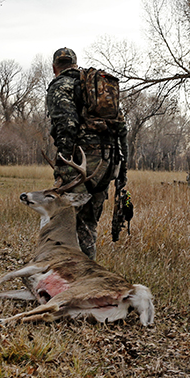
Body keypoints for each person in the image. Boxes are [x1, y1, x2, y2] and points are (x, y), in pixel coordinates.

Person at [46, 47, 128, 259]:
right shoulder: (97, 87)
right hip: (108, 162)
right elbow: (122, 129)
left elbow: (67, 125)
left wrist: (63, 163)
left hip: (81, 162)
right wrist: (122, 171)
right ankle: (86, 273)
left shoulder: (60, 85)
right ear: (75, 63)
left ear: (55, 67)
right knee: (89, 222)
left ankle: (58, 273)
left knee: (62, 219)